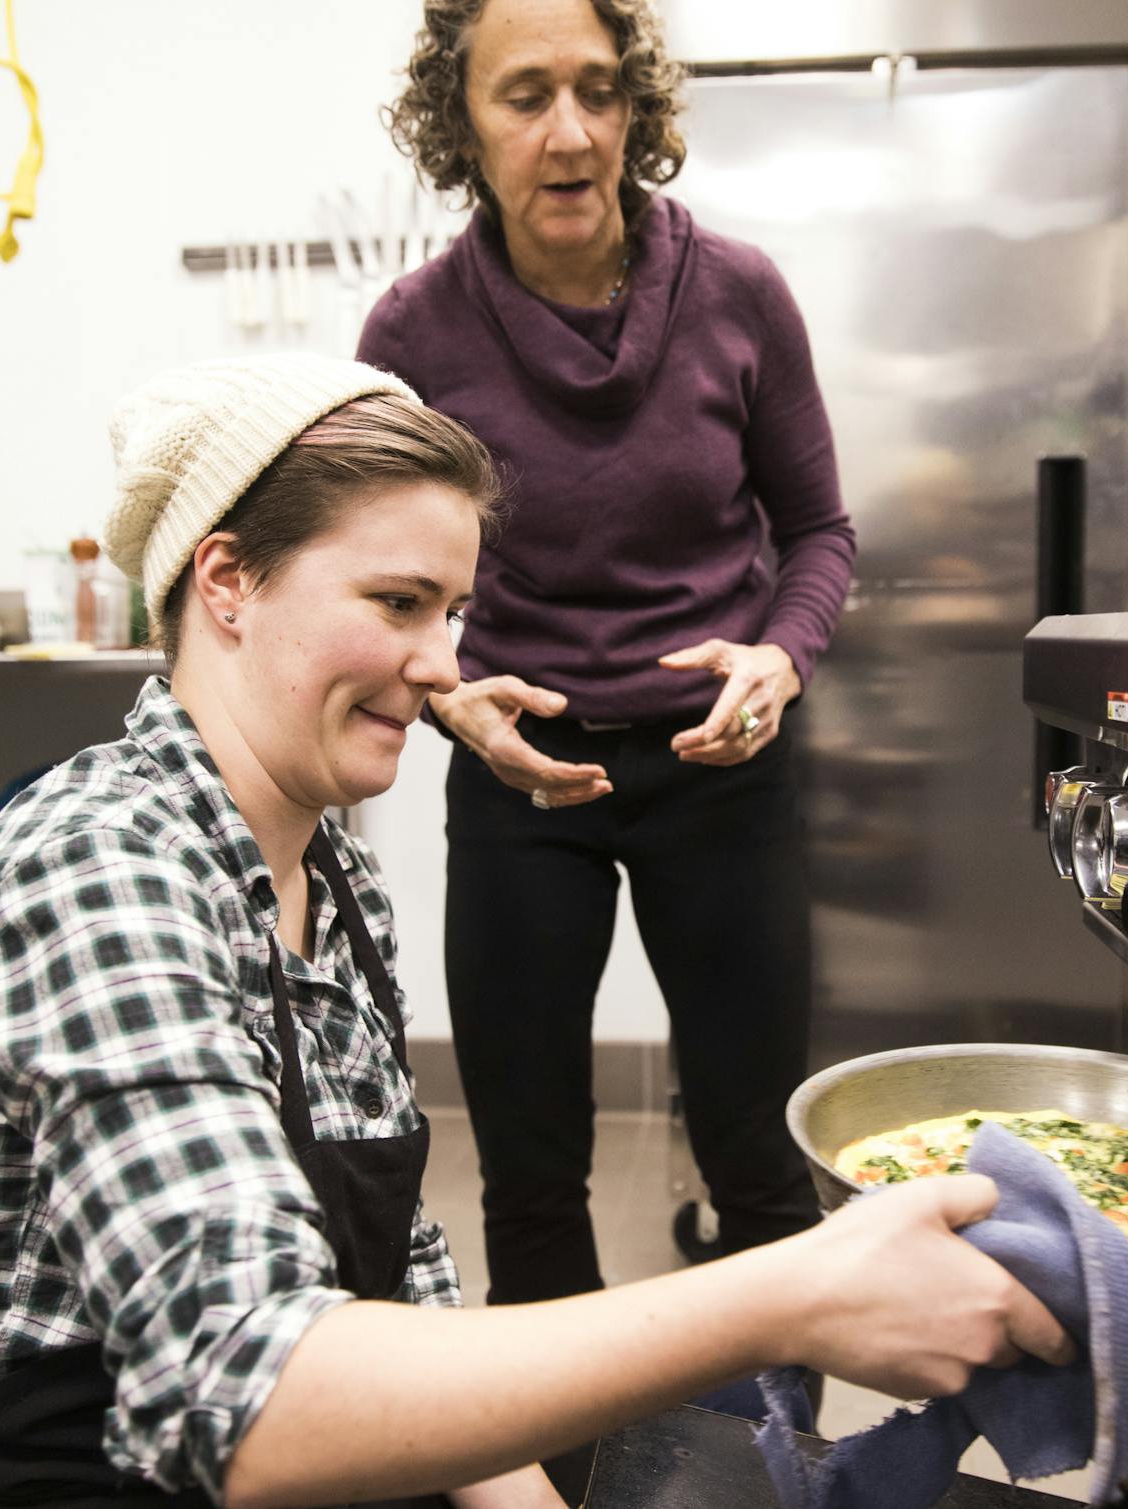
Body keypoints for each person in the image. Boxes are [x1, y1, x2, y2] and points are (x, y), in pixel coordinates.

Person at [0, 354, 1072, 1508]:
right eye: (397, 603)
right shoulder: (94, 874)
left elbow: (397, 1288)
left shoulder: (328, 873)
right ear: (228, 582)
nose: (445, 664)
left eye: (454, 610)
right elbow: (243, 1393)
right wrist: (785, 1300)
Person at [360, 0, 856, 1317]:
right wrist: (451, 699)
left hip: (725, 768)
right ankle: (560, 1465)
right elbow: (381, 593)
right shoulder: (411, 338)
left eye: (599, 89)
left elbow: (817, 531)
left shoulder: (739, 294)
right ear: (460, 121)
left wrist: (781, 658)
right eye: (525, 96)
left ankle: (773, 1461)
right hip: (525, 786)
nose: (571, 133)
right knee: (527, 1173)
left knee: (759, 1160)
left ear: (637, 104)